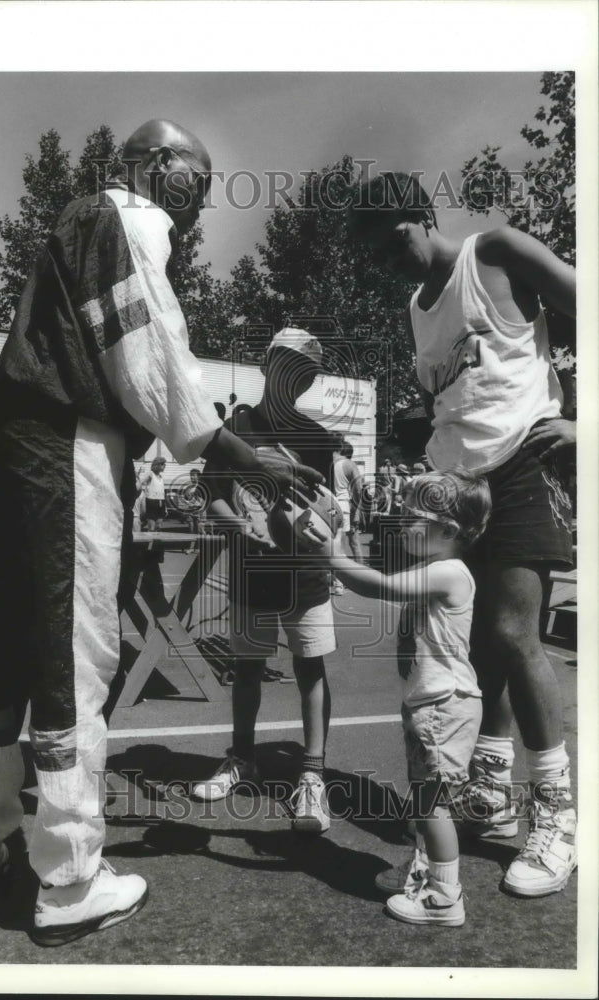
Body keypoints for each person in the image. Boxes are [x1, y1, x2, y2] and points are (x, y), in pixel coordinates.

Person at [0, 118, 323, 945]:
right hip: (66, 439)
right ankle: (70, 877)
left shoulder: (75, 219)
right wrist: (244, 455)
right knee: (72, 655)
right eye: (199, 174)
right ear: (158, 164)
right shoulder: (128, 217)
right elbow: (153, 358)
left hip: (5, 435)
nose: (203, 198)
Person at [348, 172, 577, 898]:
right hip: (457, 491)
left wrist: (587, 421)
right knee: (473, 648)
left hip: (522, 466)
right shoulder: (418, 309)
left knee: (515, 635)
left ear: (420, 214)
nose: (386, 266)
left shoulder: (496, 253)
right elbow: (449, 400)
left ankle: (556, 815)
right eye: (373, 261)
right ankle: (493, 786)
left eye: (390, 246)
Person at [321, 471, 492, 926]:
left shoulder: (449, 572)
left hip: (444, 706)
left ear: (449, 531)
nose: (400, 521)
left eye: (413, 516)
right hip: (430, 703)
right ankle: (423, 872)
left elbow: (379, 586)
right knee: (422, 801)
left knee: (430, 804)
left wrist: (332, 556)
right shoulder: (438, 567)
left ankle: (444, 896)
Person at [191, 328, 337, 834]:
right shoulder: (236, 428)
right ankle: (243, 757)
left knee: (309, 668)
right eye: (290, 363)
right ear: (268, 362)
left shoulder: (317, 438)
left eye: (309, 371)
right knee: (247, 668)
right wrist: (245, 529)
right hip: (252, 568)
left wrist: (320, 529)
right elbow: (212, 498)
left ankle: (312, 775)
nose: (298, 377)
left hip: (305, 574)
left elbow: (327, 510)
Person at [331, 440, 365, 564]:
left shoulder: (329, 463)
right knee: (353, 542)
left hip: (329, 504)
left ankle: (334, 577)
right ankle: (360, 574)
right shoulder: (349, 464)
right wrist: (355, 509)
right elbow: (358, 489)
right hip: (345, 505)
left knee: (334, 542)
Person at [139, 456, 167, 531]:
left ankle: (156, 542)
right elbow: (140, 483)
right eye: (162, 464)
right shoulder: (151, 474)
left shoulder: (161, 477)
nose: (164, 466)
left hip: (161, 502)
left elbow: (162, 493)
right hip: (151, 502)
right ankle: (149, 542)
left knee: (159, 526)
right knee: (151, 528)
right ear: (156, 465)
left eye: (164, 464)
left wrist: (166, 507)